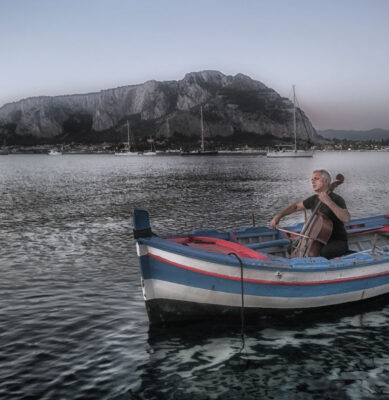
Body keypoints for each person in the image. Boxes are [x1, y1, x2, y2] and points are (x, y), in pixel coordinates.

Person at [269, 169, 351, 259]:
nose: (312, 182)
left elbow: (346, 218)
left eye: (316, 179)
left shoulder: (337, 199)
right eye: (312, 180)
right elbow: (295, 206)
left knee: (324, 252)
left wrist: (329, 202)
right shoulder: (314, 199)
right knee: (291, 248)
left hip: (337, 240)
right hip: (317, 239)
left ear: (326, 181)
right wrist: (278, 216)